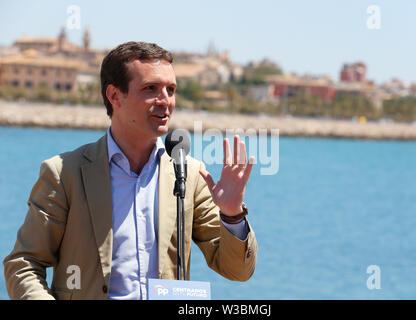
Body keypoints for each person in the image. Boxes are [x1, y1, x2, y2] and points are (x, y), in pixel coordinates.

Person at [3, 42, 257, 300]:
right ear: (114, 96)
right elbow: (24, 264)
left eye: (171, 90)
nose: (165, 101)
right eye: (150, 89)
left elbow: (238, 270)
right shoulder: (64, 173)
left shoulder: (190, 174)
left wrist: (232, 215)